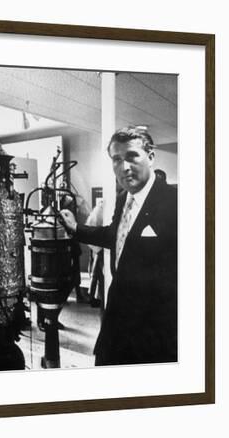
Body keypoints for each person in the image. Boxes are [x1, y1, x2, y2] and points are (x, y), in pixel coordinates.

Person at [59, 126, 177, 366]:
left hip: (154, 336)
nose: (124, 167)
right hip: (116, 321)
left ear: (151, 157)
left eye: (132, 156)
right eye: (116, 159)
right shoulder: (124, 198)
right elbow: (114, 235)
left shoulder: (175, 203)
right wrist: (76, 229)